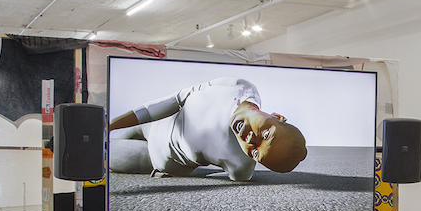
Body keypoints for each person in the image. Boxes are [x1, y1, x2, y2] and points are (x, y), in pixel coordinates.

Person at [108, 77, 307, 181]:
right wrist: (110, 124)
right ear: (278, 116)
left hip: (153, 158)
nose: (250, 140)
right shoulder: (236, 86)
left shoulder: (241, 166)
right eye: (265, 134)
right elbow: (175, 100)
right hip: (151, 123)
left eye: (255, 153)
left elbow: (238, 176)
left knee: (98, 153)